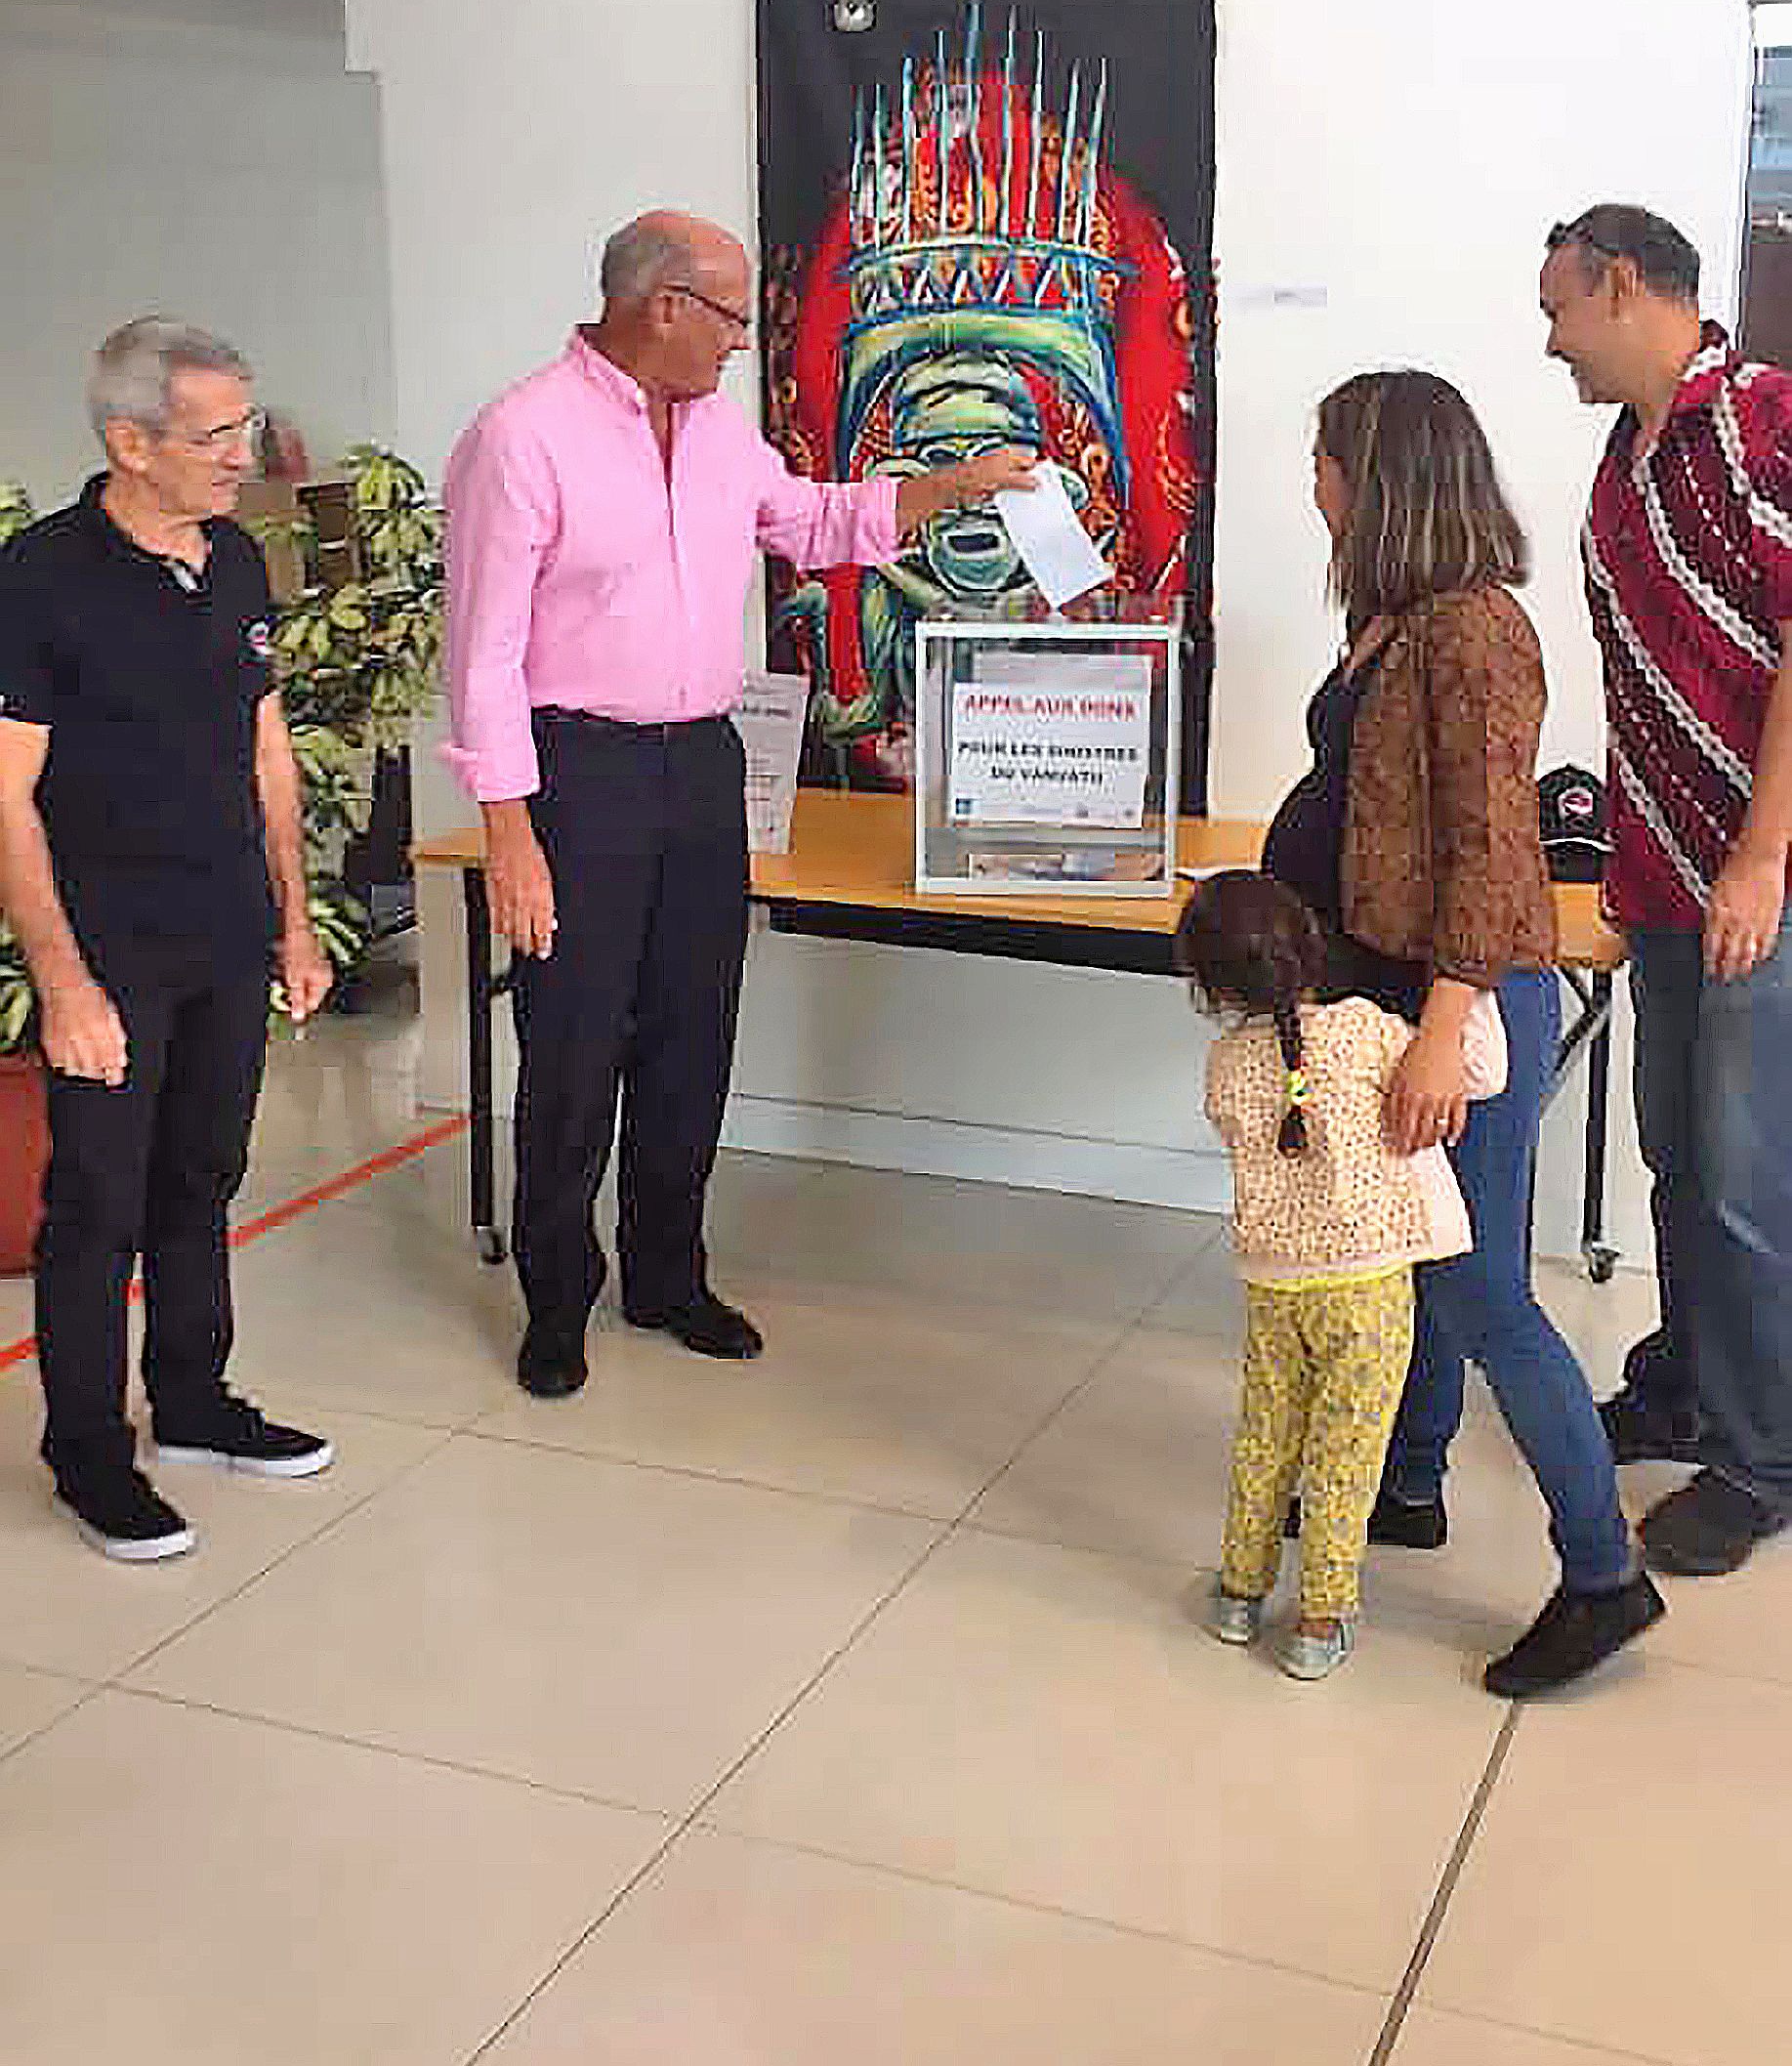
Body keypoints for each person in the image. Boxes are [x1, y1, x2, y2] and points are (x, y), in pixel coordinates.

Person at [444, 209, 1037, 1398]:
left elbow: (809, 521)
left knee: (689, 1031)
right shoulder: (523, 438)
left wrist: (959, 484)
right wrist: (509, 832)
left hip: (702, 768)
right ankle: (558, 1299)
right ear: (662, 305)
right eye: (725, 317)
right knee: (571, 1045)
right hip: (578, 776)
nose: (737, 345)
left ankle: (667, 1275)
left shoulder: (721, 436)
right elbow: (482, 654)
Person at [1259, 370, 1662, 1697]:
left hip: (1456, 996)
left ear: (1379, 476)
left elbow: (1493, 852)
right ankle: (1411, 1480)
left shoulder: (1469, 632)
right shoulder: (1386, 620)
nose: (1309, 475)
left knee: (1482, 1288)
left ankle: (1603, 1574)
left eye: (1324, 455)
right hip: (1385, 985)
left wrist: (1439, 1028)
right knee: (1409, 1252)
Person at [0, 320, 335, 1562]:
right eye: (214, 434)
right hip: (110, 947)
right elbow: (6, 797)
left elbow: (265, 751)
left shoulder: (238, 559)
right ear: (127, 442)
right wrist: (65, 980)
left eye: (244, 425)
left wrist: (296, 921)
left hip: (228, 932)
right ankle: (87, 1449)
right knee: (96, 1205)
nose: (241, 454)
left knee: (202, 1179)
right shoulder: (40, 580)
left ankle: (192, 1400)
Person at [1543, 204, 1792, 1576]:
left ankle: (1761, 1459)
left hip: (1756, 880)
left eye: (1557, 311)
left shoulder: (1763, 421)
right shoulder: (1618, 456)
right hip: (1654, 876)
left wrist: (1757, 854)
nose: (1549, 341)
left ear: (1623, 286)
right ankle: (1689, 1384)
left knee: (1754, 1181)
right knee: (1678, 1158)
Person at [1178, 869, 1506, 1681]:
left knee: (1266, 1437)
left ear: (1209, 988)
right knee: (1345, 1452)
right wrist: (1468, 987)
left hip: (1273, 1283)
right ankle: (1319, 1618)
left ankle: (1237, 1593)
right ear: (1312, 942)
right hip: (1364, 1287)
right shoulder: (1368, 1035)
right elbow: (1480, 1073)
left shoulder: (1224, 1065)